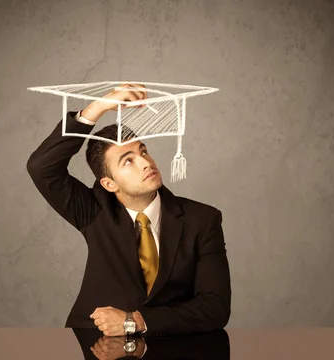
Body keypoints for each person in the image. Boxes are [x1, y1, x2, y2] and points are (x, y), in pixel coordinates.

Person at [26, 83, 231, 336]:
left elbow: (215, 308)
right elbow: (41, 167)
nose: (145, 162)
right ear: (109, 184)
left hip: (173, 349)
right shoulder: (94, 211)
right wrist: (98, 107)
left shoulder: (203, 220)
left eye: (143, 151)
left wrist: (135, 321)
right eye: (128, 161)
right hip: (95, 345)